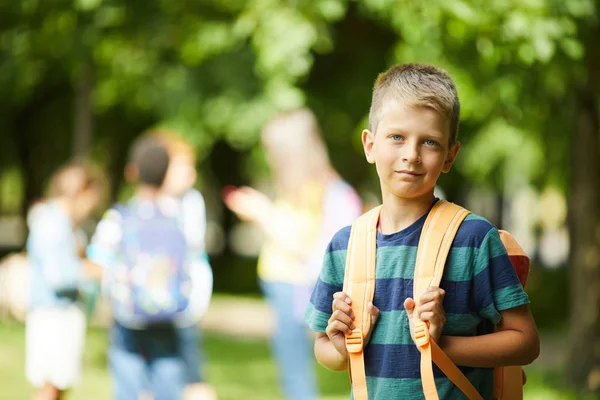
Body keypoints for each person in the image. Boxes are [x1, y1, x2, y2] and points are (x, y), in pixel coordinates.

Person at [303, 63, 540, 399]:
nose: (411, 156)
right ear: (370, 145)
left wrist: (442, 345)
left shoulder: (472, 239)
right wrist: (343, 346)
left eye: (429, 142)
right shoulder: (345, 245)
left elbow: (526, 342)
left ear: (449, 156)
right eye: (396, 137)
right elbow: (323, 349)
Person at [224, 108, 361, 400]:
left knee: (296, 374)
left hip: (297, 289)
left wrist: (262, 214)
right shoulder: (303, 189)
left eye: (273, 150)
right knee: (294, 372)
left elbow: (315, 251)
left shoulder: (323, 192)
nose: (270, 157)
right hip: (287, 287)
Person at [87, 136, 186, 400]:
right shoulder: (179, 217)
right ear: (166, 174)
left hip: (127, 317)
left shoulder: (120, 217)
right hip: (168, 313)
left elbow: (98, 263)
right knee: (168, 383)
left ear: (131, 172)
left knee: (128, 383)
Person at [25, 161, 105, 400]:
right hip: (53, 314)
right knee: (50, 386)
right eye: (91, 198)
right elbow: (58, 276)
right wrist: (93, 271)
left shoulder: (65, 224)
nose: (92, 206)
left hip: (62, 314)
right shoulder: (52, 222)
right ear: (78, 192)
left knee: (59, 386)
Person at [153, 130, 218, 400]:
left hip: (183, 305)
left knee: (192, 374)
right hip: (154, 304)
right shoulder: (149, 204)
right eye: (183, 167)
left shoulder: (190, 203)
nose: (190, 175)